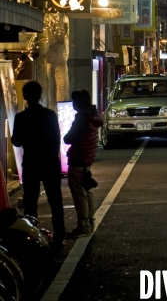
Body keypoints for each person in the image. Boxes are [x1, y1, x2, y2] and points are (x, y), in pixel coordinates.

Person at [11, 80, 66, 244]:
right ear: (40, 95)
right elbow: (57, 138)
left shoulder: (21, 118)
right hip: (49, 162)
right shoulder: (50, 115)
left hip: (31, 163)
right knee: (55, 200)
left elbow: (16, 141)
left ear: (25, 96)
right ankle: (59, 234)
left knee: (30, 202)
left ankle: (32, 236)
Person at [64, 90, 103, 238]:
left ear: (78, 103)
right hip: (87, 158)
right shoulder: (93, 116)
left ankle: (83, 225)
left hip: (78, 159)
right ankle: (89, 222)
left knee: (79, 192)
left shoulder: (81, 119)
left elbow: (68, 138)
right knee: (86, 190)